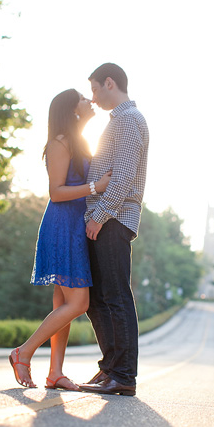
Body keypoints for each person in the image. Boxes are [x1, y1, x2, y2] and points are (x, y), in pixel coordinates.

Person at [9, 89, 111, 390]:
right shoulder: (59, 143)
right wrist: (96, 186)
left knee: (62, 304)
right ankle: (22, 352)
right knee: (79, 303)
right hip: (62, 227)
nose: (89, 101)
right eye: (82, 98)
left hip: (75, 228)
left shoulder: (79, 141)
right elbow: (56, 192)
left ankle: (55, 373)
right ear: (72, 109)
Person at [79, 63, 149, 396]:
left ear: (110, 83)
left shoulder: (130, 121)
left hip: (114, 220)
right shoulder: (119, 122)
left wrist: (100, 215)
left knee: (116, 297)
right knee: (96, 299)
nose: (93, 97)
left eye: (94, 89)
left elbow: (122, 177)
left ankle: (123, 375)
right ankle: (110, 369)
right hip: (105, 218)